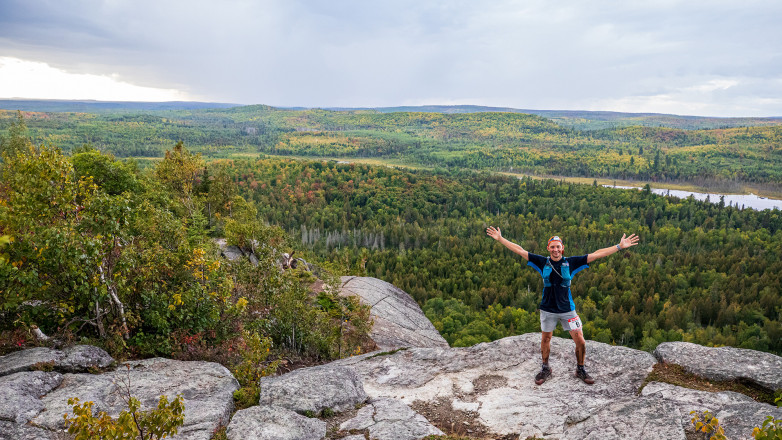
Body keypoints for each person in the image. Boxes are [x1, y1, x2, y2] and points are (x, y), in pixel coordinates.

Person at [486, 226, 639, 385]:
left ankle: (580, 369)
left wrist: (619, 246)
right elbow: (520, 250)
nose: (555, 249)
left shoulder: (571, 263)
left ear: (562, 248)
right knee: (546, 338)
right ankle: (545, 368)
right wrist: (501, 239)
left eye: (558, 246)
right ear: (548, 248)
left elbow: (597, 254)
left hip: (568, 310)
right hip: (547, 309)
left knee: (580, 340)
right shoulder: (542, 262)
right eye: (552, 247)